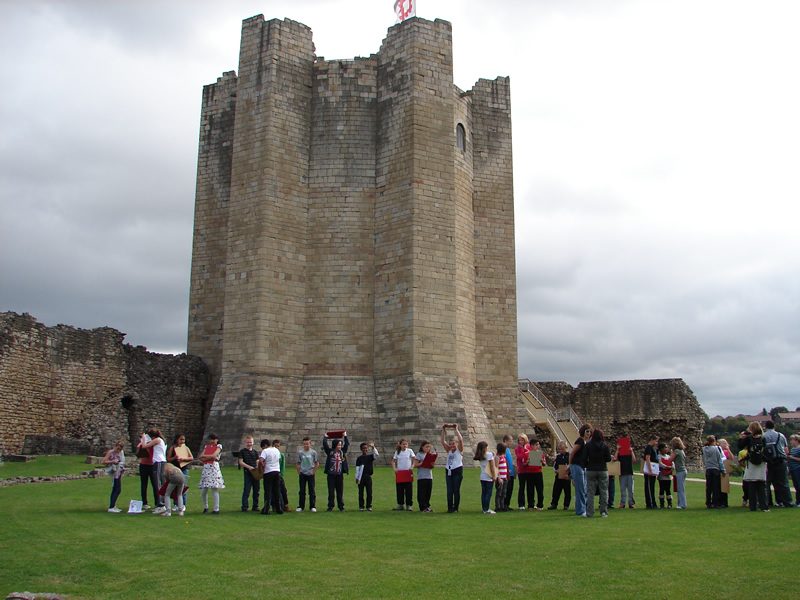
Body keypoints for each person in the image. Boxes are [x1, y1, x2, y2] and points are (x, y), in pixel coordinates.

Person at [738, 422, 769, 512]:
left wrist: (741, 438)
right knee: (762, 485)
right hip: (761, 463)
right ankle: (764, 506)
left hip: (751, 462)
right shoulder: (763, 439)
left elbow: (740, 446)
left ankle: (753, 506)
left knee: (752, 485)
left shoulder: (749, 439)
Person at [763, 420, 794, 507]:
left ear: (765, 427)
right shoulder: (780, 435)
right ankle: (787, 501)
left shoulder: (763, 436)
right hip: (780, 460)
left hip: (769, 461)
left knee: (767, 482)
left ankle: (767, 501)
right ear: (774, 427)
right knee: (783, 482)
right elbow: (785, 449)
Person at [584, 428, 611, 518]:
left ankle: (590, 512)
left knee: (590, 491)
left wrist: (588, 464)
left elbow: (584, 457)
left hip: (591, 469)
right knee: (604, 491)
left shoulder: (588, 445)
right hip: (602, 469)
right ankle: (603, 511)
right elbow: (608, 459)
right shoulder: (604, 446)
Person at [140, 428, 168, 514]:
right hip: (160, 461)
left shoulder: (157, 440)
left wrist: (143, 438)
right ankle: (162, 503)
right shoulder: (160, 440)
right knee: (159, 483)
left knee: (158, 483)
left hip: (158, 462)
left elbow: (144, 446)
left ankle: (161, 505)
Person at [198, 433, 225, 514]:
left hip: (213, 468)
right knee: (204, 490)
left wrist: (206, 457)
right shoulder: (207, 447)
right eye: (211, 439)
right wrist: (209, 457)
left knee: (214, 489)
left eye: (213, 439)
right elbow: (200, 457)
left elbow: (214, 456)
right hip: (206, 468)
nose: (212, 441)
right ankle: (205, 507)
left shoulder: (219, 446)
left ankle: (216, 508)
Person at [569, 424, 592, 516]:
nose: (589, 433)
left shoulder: (586, 442)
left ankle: (582, 508)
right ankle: (580, 510)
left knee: (583, 489)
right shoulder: (580, 441)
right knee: (580, 489)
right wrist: (570, 465)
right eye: (587, 431)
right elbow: (572, 453)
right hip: (577, 466)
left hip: (581, 466)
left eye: (590, 432)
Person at [323, 433, 349, 511]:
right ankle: (330, 505)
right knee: (331, 491)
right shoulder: (330, 452)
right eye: (338, 445)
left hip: (339, 475)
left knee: (340, 491)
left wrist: (345, 436)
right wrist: (325, 438)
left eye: (340, 445)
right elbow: (325, 445)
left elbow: (347, 444)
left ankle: (341, 506)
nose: (340, 447)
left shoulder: (342, 452)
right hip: (331, 475)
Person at [167, 433, 193, 509]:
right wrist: (174, 457)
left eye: (183, 439)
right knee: (174, 487)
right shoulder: (172, 448)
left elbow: (191, 458)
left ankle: (183, 504)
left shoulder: (186, 448)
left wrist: (183, 459)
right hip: (175, 470)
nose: (182, 441)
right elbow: (168, 459)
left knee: (183, 487)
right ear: (176, 440)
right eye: (180, 439)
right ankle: (175, 504)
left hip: (184, 469)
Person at [441, 424, 464, 513]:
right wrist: (443, 430)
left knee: (456, 490)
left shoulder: (459, 450)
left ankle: (456, 508)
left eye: (453, 444)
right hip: (449, 471)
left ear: (457, 444)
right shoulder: (449, 451)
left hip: (457, 470)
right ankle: (450, 507)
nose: (451, 446)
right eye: (450, 444)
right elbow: (443, 441)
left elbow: (461, 440)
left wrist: (456, 430)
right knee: (449, 490)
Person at [392, 438, 416, 511]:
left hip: (407, 472)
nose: (404, 446)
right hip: (400, 472)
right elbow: (393, 461)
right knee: (400, 489)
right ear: (400, 445)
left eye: (406, 444)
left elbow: (415, 459)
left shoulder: (409, 451)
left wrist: (412, 466)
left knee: (408, 489)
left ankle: (409, 505)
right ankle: (400, 504)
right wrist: (394, 468)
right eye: (403, 444)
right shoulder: (397, 452)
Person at [237, 435, 260, 512]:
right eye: (248, 442)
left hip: (255, 473)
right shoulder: (242, 451)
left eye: (250, 442)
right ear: (245, 443)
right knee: (247, 490)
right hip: (248, 472)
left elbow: (257, 461)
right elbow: (240, 462)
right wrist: (249, 467)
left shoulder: (255, 452)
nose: (249, 444)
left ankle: (255, 506)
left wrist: (257, 467)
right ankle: (244, 506)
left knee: (256, 490)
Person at [296, 436, 319, 513]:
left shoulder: (313, 453)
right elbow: (297, 463)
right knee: (302, 490)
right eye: (304, 444)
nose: (306, 445)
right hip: (303, 473)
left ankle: (312, 506)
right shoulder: (300, 453)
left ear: (310, 444)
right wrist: (299, 472)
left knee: (312, 490)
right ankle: (301, 506)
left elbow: (317, 463)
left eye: (307, 444)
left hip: (310, 473)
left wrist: (313, 472)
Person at [261, 438, 283, 515]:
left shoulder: (265, 451)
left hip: (268, 471)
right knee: (276, 490)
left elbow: (261, 460)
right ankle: (279, 508)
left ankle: (267, 509)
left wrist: (262, 466)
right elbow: (279, 459)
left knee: (268, 491)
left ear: (264, 446)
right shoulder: (276, 450)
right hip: (277, 471)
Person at [136, 430, 157, 512]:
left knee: (155, 484)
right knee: (144, 484)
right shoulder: (142, 444)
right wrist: (143, 441)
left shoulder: (153, 443)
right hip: (144, 465)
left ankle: (157, 502)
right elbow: (139, 451)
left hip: (152, 465)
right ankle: (144, 503)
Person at [355, 441, 379, 511]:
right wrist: (357, 478)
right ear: (361, 449)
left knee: (369, 492)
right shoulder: (359, 458)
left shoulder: (370, 457)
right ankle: (361, 506)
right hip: (361, 477)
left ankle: (369, 506)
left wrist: (373, 447)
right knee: (360, 492)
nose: (365, 450)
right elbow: (357, 468)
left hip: (368, 476)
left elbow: (377, 455)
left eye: (366, 448)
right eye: (363, 448)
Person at [102, 441, 125, 513]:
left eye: (120, 450)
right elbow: (104, 461)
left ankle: (113, 505)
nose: (118, 451)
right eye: (117, 449)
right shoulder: (110, 452)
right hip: (113, 471)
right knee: (116, 488)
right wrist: (112, 461)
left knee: (117, 489)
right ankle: (111, 506)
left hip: (119, 471)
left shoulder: (121, 453)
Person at [702, 435, 725, 509]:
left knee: (709, 487)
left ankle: (708, 502)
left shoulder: (704, 449)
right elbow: (720, 460)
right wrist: (723, 470)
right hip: (715, 468)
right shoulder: (716, 449)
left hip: (708, 468)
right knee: (716, 487)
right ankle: (715, 503)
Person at [474, 441, 496, 514]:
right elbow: (492, 466)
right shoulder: (489, 455)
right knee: (488, 493)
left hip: (482, 476)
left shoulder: (480, 456)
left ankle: (484, 508)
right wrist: (494, 475)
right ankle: (486, 509)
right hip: (488, 476)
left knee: (484, 493)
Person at [548, 440, 571, 510]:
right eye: (560, 449)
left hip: (566, 477)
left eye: (562, 449)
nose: (561, 451)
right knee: (556, 490)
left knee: (567, 491)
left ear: (566, 448)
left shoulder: (569, 456)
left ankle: (566, 505)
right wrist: (556, 470)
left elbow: (571, 466)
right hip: (559, 476)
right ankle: (554, 503)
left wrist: (569, 474)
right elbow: (555, 466)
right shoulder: (558, 457)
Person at [416, 440, 436, 513]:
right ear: (422, 447)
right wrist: (423, 463)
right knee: (422, 492)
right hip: (422, 476)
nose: (428, 448)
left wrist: (431, 464)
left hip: (429, 476)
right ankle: (422, 507)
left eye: (429, 447)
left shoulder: (430, 455)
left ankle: (427, 506)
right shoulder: (419, 455)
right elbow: (415, 464)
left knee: (428, 492)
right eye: (426, 447)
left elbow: (432, 466)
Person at [514, 434, 533, 510]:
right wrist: (524, 450)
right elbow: (520, 456)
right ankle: (521, 504)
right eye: (519, 440)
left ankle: (531, 504)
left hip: (529, 470)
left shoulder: (529, 447)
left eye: (522, 440)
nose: (521, 442)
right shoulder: (517, 449)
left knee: (530, 487)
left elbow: (531, 455)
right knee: (521, 487)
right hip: (521, 470)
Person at [615, 442, 636, 509]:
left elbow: (634, 460)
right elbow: (615, 459)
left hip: (629, 473)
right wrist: (617, 450)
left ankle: (631, 503)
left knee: (631, 490)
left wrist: (631, 451)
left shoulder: (629, 453)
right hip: (622, 473)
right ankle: (622, 503)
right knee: (622, 490)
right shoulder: (620, 454)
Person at [527, 438, 546, 510]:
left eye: (538, 445)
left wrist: (542, 462)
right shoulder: (528, 454)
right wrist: (527, 462)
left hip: (538, 472)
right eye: (536, 445)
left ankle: (540, 505)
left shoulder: (541, 454)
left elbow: (544, 464)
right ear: (531, 445)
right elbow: (524, 464)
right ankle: (530, 505)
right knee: (530, 489)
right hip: (530, 472)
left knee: (540, 489)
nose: (537, 446)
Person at [272, 439, 290, 512]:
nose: (277, 447)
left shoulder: (281, 455)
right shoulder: (271, 454)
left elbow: (282, 466)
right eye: (275, 446)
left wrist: (281, 475)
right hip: (273, 474)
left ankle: (285, 504)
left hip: (279, 475)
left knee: (283, 490)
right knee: (274, 491)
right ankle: (275, 506)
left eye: (278, 446)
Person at [670, 437, 688, 509]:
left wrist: (672, 452)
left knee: (680, 489)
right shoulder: (681, 451)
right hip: (682, 470)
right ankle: (681, 503)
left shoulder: (677, 451)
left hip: (680, 471)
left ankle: (682, 504)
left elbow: (671, 459)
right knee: (681, 488)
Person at [643, 435, 660, 509]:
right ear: (652, 440)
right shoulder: (649, 447)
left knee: (652, 487)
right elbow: (647, 458)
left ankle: (652, 502)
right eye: (656, 441)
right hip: (650, 470)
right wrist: (650, 470)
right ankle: (650, 503)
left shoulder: (652, 448)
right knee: (649, 487)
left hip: (653, 469)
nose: (656, 443)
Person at [657, 442, 673, 509]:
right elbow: (660, 464)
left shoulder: (668, 457)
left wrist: (671, 469)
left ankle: (669, 503)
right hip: (662, 476)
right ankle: (662, 503)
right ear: (661, 449)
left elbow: (673, 463)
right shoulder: (659, 457)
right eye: (665, 447)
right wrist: (667, 467)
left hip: (668, 476)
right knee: (662, 489)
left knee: (668, 489)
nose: (667, 449)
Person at [502, 435, 516, 509]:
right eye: (510, 441)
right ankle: (504, 504)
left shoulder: (508, 450)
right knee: (506, 489)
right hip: (507, 473)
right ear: (506, 441)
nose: (511, 443)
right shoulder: (503, 450)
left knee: (510, 489)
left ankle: (507, 504)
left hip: (511, 472)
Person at [494, 443, 508, 512]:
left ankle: (502, 506)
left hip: (504, 477)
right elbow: (496, 468)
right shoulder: (498, 457)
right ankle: (498, 506)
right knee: (499, 493)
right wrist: (499, 478)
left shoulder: (503, 457)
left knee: (503, 493)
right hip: (500, 478)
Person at [788, 434, 800, 506]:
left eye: (792, 441)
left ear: (797, 441)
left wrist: (792, 458)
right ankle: (797, 501)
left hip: (797, 469)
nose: (791, 442)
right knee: (796, 486)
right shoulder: (792, 449)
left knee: (799, 485)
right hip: (792, 469)